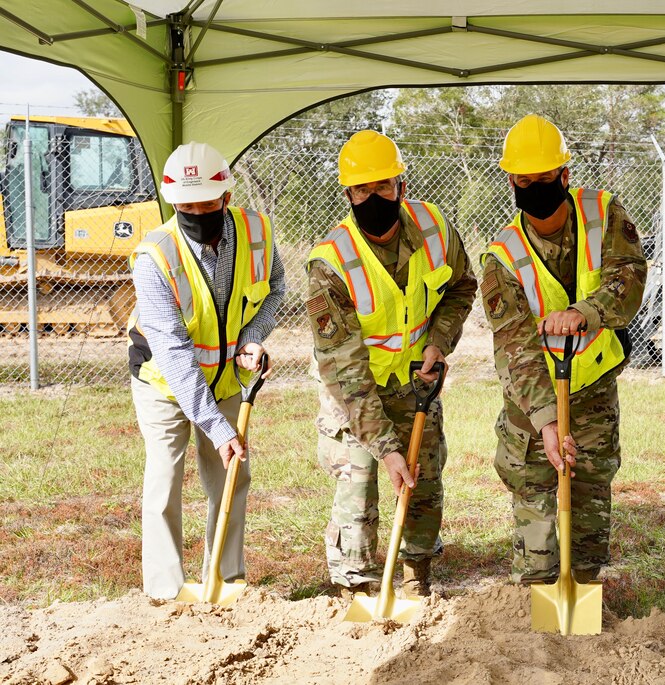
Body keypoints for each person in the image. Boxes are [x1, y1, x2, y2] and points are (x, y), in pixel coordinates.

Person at [306, 130, 477, 597]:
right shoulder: (330, 264)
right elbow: (345, 371)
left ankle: (416, 573)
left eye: (384, 187)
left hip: (414, 383)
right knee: (359, 481)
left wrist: (438, 343)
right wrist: (386, 446)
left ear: (401, 184)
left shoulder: (436, 228)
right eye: (362, 190)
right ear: (348, 193)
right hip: (354, 391)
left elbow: (462, 285)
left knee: (421, 480)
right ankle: (355, 583)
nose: (374, 197)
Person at [481, 113, 647, 584]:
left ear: (565, 176)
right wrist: (547, 422)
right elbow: (514, 347)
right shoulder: (503, 257)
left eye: (544, 178)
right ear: (511, 181)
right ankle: (536, 588)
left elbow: (630, 279)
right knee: (534, 490)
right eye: (523, 180)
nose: (533, 187)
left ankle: (586, 585)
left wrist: (586, 312)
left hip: (593, 387)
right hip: (532, 401)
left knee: (591, 492)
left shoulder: (604, 214)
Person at [128, 141, 284, 599]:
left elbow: (275, 289)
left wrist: (253, 337)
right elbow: (175, 352)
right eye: (185, 205)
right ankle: (165, 592)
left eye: (205, 203)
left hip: (225, 376)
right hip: (163, 380)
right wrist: (217, 427)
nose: (196, 212)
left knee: (233, 475)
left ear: (226, 199)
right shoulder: (154, 257)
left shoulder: (257, 233)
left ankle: (226, 581)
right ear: (173, 202)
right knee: (164, 478)